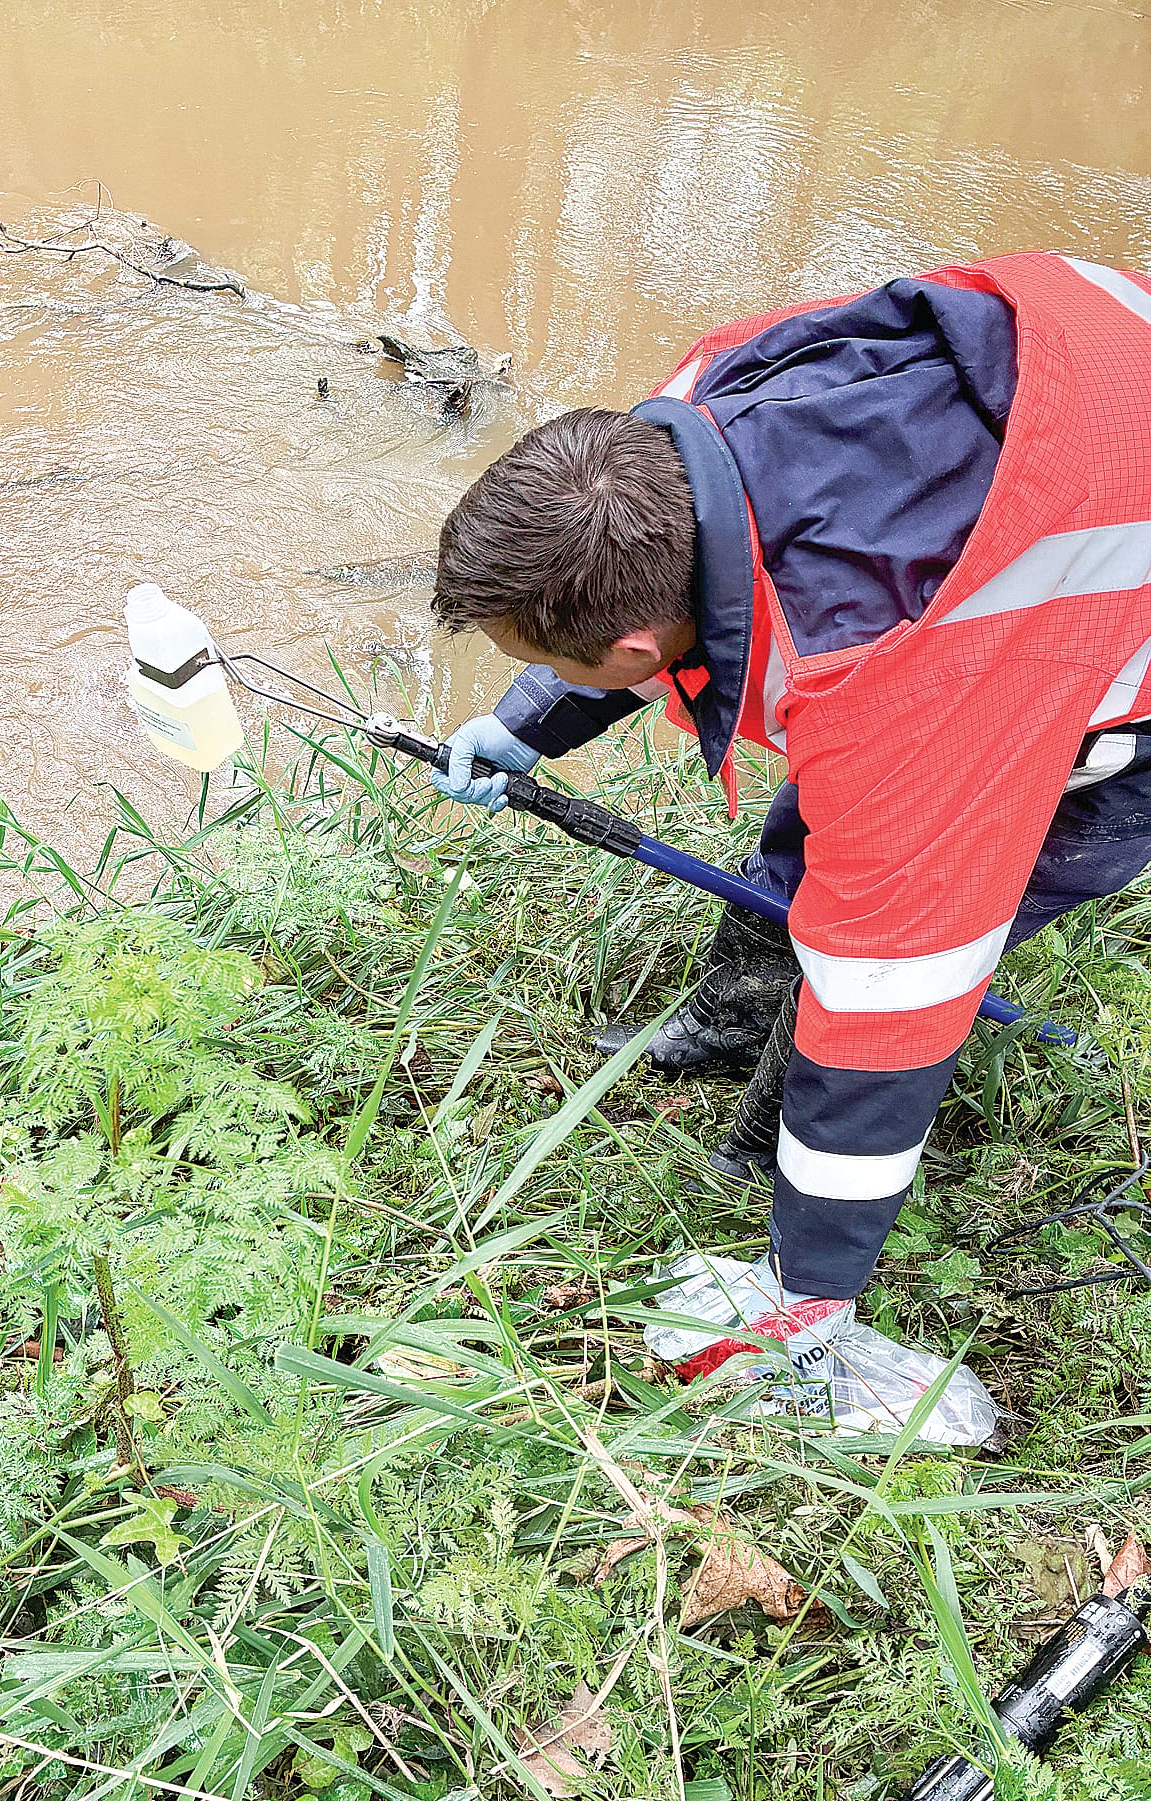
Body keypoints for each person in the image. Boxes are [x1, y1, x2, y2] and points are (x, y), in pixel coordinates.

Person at [428, 254, 1151, 1359]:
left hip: (1102, 635)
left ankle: (778, 1145)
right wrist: (532, 718)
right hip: (1086, 390)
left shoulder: (891, 684)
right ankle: (735, 1026)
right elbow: (663, 616)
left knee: (889, 945)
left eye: (548, 662)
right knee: (816, 839)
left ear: (625, 650)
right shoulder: (683, 415)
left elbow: (892, 999)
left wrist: (804, 1297)